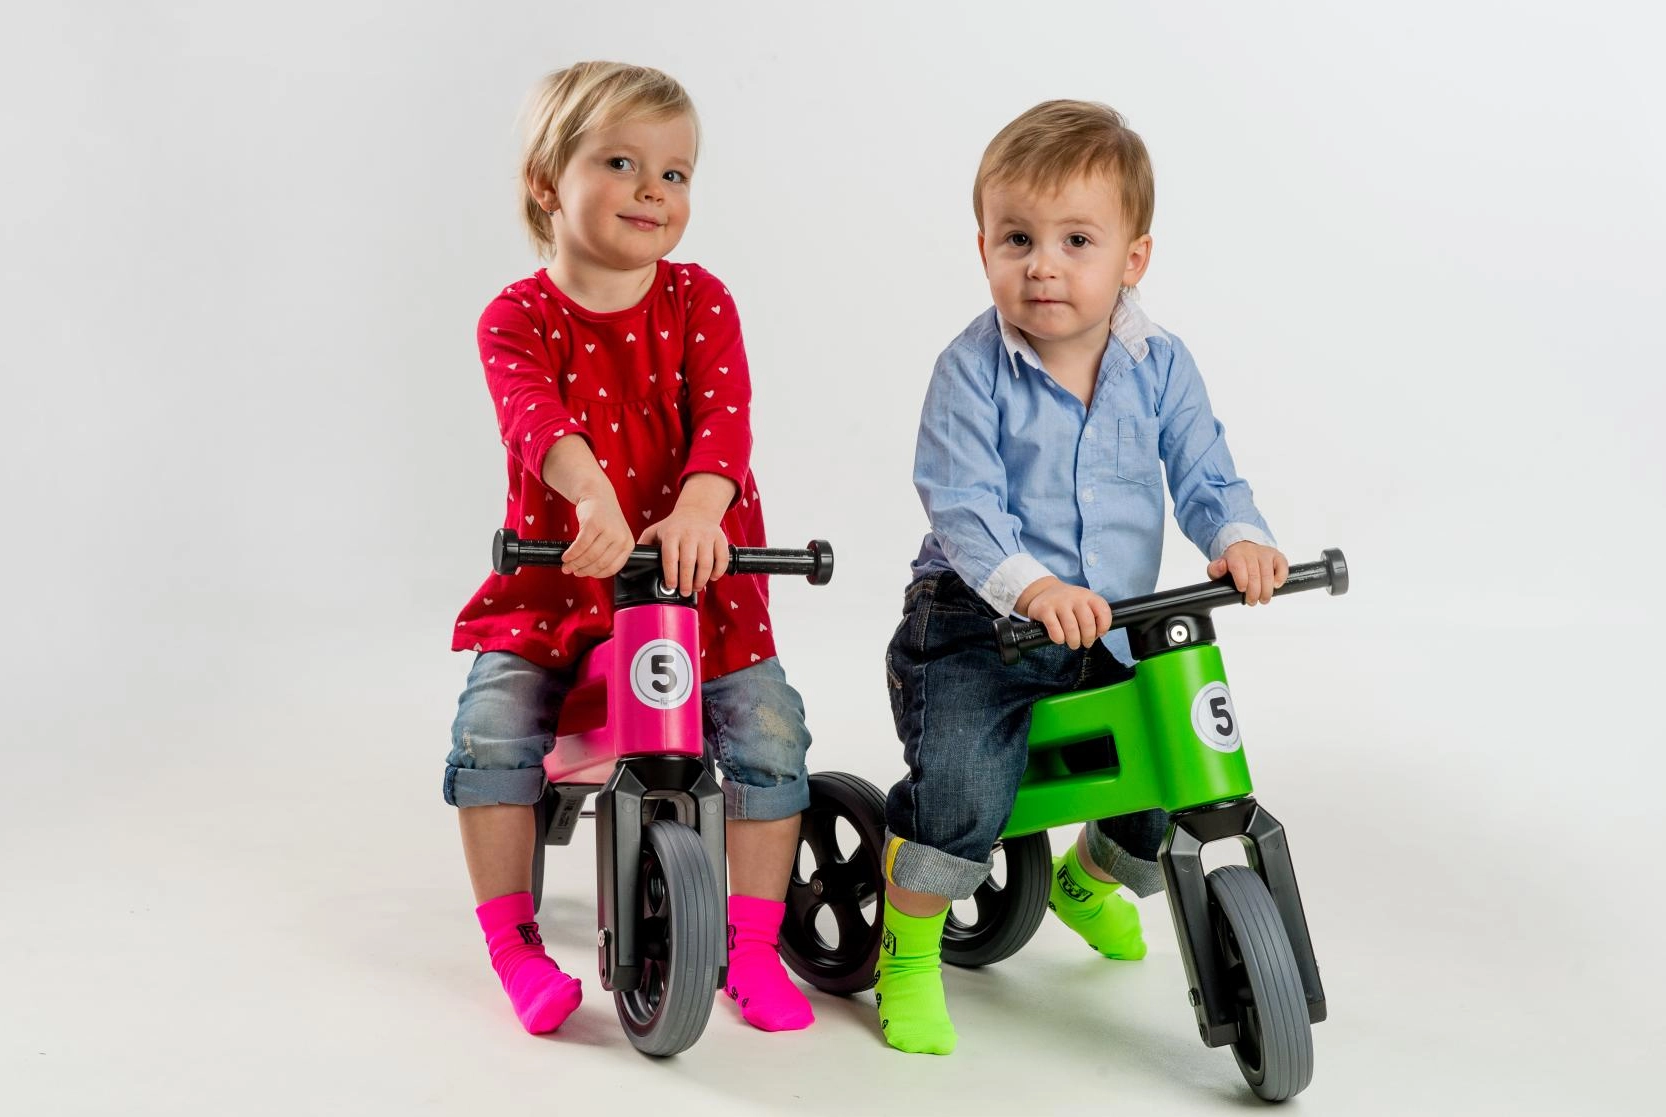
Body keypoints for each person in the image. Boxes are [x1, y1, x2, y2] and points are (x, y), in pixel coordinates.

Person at [875, 99, 1290, 1054]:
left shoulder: (1159, 363)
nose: (1042, 265)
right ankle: (908, 948)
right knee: (965, 791)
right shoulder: (970, 370)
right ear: (984, 247)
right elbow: (963, 503)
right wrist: (1033, 588)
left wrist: (1240, 537)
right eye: (1017, 238)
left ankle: (1086, 880)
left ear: (1132, 259)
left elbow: (1205, 472)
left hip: (1112, 623)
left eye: (1075, 240)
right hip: (977, 622)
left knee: (1172, 760)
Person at [446, 61, 815, 1037]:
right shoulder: (516, 318)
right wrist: (592, 499)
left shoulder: (700, 302)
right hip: (559, 586)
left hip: (698, 588)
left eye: (675, 173)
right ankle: (514, 945)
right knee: (492, 727)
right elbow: (537, 422)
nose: (653, 189)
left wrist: (698, 512)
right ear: (546, 183)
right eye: (621, 163)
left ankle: (750, 945)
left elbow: (724, 426)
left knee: (769, 730)